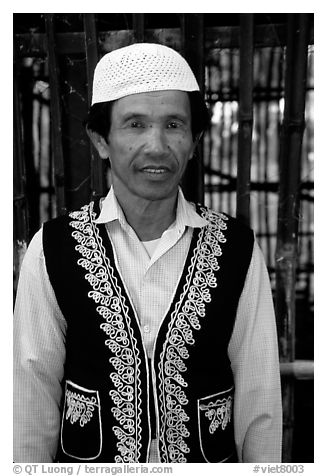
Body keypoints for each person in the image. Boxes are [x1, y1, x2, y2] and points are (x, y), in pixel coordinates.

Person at [14, 42, 282, 463]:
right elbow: (31, 396)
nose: (157, 146)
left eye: (174, 125)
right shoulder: (51, 250)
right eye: (135, 124)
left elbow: (260, 399)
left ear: (194, 142)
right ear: (101, 140)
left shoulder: (238, 251)